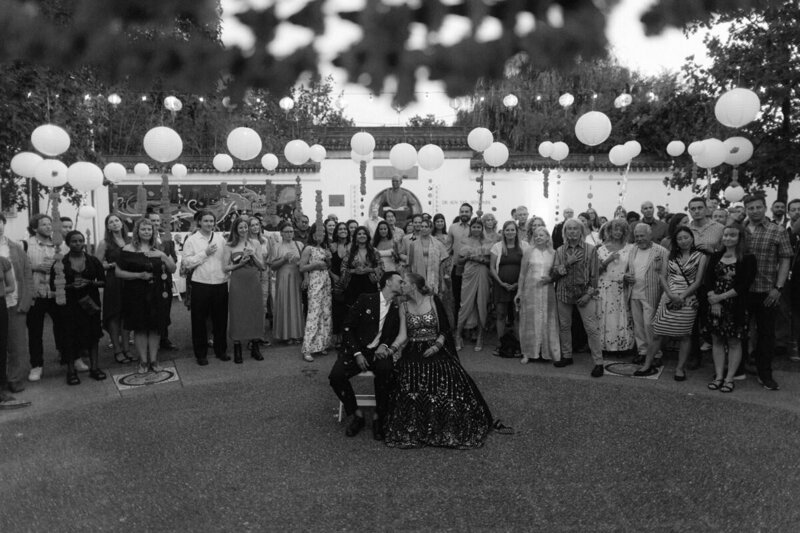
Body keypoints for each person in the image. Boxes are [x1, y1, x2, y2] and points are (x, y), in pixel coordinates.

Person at [384, 272, 497, 449]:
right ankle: (417, 429)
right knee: (410, 381)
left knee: (450, 380)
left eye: (404, 283)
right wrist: (390, 349)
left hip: (436, 347)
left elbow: (444, 329)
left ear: (413, 286)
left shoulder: (432, 301)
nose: (402, 285)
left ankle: (447, 426)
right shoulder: (403, 306)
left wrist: (436, 346)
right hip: (413, 350)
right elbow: (402, 335)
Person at [329, 271, 407, 440]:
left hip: (379, 352)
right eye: (400, 281)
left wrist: (385, 346)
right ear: (388, 283)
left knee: (387, 371)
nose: (403, 284)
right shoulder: (365, 299)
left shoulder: (397, 307)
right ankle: (357, 415)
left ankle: (379, 416)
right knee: (336, 376)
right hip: (357, 349)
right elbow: (347, 327)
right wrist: (357, 353)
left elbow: (394, 333)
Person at [635, 227, 708, 380]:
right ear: (675, 241)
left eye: (686, 237)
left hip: (688, 299)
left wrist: (682, 296)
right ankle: (647, 364)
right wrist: (669, 294)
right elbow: (662, 276)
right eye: (680, 238)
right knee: (657, 333)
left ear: (692, 238)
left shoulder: (700, 256)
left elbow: (699, 281)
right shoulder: (670, 255)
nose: (683, 241)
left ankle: (680, 368)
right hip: (668, 296)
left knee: (685, 335)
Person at [742, 194, 792, 390]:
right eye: (750, 208)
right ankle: (738, 368)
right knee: (739, 333)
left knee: (766, 336)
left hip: (766, 292)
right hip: (742, 292)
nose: (754, 211)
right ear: (746, 209)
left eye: (758, 207)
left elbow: (785, 259)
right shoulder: (740, 230)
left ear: (765, 208)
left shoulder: (777, 231)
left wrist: (778, 288)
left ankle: (765, 374)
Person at [116, 219, 176, 373]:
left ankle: (154, 360)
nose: (147, 232)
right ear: (137, 231)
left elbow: (173, 268)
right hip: (135, 294)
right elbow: (118, 272)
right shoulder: (127, 249)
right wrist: (139, 275)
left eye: (149, 229)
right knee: (140, 328)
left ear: (153, 231)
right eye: (143, 229)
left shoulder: (158, 250)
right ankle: (143, 361)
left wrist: (163, 256)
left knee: (155, 328)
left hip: (156, 293)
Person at [703, 224, 756, 393]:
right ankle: (718, 376)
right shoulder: (716, 255)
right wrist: (714, 300)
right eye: (725, 235)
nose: (728, 238)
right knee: (717, 340)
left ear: (740, 238)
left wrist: (721, 297)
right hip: (715, 306)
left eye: (732, 235)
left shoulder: (748, 258)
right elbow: (708, 279)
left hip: (736, 306)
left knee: (734, 341)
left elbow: (744, 285)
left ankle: (729, 378)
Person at [551, 219, 605, 377]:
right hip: (563, 294)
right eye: (569, 229)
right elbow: (554, 274)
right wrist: (567, 263)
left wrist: (589, 295)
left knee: (591, 328)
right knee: (565, 326)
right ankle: (567, 356)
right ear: (565, 232)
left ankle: (598, 362)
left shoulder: (591, 250)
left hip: (584, 295)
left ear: (581, 231)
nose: (572, 232)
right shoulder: (560, 251)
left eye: (575, 229)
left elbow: (595, 276)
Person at [51, 231, 106, 384]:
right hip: (70, 304)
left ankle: (95, 367)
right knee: (70, 336)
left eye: (80, 240)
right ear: (68, 243)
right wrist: (69, 286)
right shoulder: (60, 262)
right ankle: (71, 371)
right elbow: (53, 285)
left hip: (90, 303)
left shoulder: (93, 261)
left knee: (93, 335)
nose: (78, 243)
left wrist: (90, 283)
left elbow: (103, 281)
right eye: (74, 241)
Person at [182, 210, 229, 365]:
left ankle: (221, 350)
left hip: (220, 283)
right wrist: (205, 253)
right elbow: (187, 263)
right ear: (199, 222)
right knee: (199, 320)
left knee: (220, 319)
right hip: (200, 283)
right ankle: (200, 354)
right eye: (206, 221)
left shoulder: (220, 239)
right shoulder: (192, 240)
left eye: (211, 221)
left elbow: (226, 259)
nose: (209, 224)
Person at [25, 214, 67, 381]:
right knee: (35, 331)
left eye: (50, 224)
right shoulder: (26, 244)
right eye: (44, 224)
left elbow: (68, 263)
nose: (49, 227)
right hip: (37, 293)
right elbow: (20, 267)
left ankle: (68, 356)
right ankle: (36, 365)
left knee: (63, 326)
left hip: (57, 292)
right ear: (35, 228)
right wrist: (36, 267)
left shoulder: (60, 244)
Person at [624, 223, 669, 366]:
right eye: (637, 236)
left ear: (650, 235)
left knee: (650, 325)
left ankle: (656, 353)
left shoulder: (661, 251)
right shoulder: (632, 249)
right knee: (638, 325)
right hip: (634, 292)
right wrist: (626, 276)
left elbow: (665, 273)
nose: (639, 239)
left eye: (642, 235)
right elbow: (627, 269)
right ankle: (642, 352)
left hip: (651, 293)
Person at [223, 216, 266, 364]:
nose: (243, 230)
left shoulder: (255, 243)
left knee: (254, 311)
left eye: (245, 227)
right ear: (235, 229)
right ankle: (237, 348)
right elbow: (225, 267)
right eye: (240, 227)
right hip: (237, 281)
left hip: (253, 281)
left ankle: (255, 347)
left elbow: (262, 266)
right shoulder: (229, 245)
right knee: (237, 312)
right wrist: (239, 263)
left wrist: (253, 254)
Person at [0, 213, 33, 394]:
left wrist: (26, 300)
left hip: (13, 303)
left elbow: (27, 274)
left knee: (17, 345)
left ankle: (14, 379)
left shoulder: (16, 247)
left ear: (4, 224)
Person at [516, 227, 560, 363]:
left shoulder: (554, 253)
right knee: (529, 320)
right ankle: (527, 353)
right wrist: (519, 291)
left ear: (547, 237)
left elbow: (557, 272)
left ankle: (548, 352)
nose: (538, 237)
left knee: (548, 320)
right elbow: (522, 273)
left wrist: (551, 279)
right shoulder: (529, 251)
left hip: (547, 291)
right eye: (536, 235)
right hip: (530, 290)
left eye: (542, 235)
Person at [95, 213, 132, 363]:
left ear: (122, 223)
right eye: (111, 222)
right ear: (108, 227)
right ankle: (117, 349)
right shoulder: (105, 243)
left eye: (117, 220)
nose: (115, 223)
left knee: (127, 315)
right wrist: (111, 265)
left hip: (129, 281)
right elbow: (96, 264)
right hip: (114, 281)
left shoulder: (130, 240)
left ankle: (127, 348)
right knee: (114, 314)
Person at [596, 219, 635, 355]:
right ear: (609, 231)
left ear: (625, 232)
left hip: (621, 287)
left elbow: (632, 268)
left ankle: (622, 347)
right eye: (615, 229)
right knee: (604, 316)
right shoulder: (600, 249)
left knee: (621, 315)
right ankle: (605, 347)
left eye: (620, 229)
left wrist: (627, 276)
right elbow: (596, 271)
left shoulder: (630, 248)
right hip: (604, 287)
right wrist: (609, 259)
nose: (617, 232)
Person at [489, 221, 529, 352]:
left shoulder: (524, 246)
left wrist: (518, 284)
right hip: (501, 286)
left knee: (517, 316)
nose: (510, 232)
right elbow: (492, 268)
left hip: (519, 287)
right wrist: (501, 283)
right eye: (507, 230)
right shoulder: (497, 246)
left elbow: (528, 267)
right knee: (501, 314)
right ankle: (500, 343)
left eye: (512, 230)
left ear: (517, 231)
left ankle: (519, 344)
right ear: (503, 231)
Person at [455, 217, 491, 351]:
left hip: (483, 273)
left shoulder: (488, 242)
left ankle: (481, 336)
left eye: (479, 227)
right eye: (474, 227)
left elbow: (490, 262)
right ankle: (458, 335)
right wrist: (468, 258)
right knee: (465, 304)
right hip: (469, 273)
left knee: (481, 304)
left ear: (482, 229)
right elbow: (459, 261)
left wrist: (479, 259)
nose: (476, 229)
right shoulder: (465, 241)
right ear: (471, 228)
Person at [299, 224, 332, 362]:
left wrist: (329, 258)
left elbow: (328, 266)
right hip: (315, 282)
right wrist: (315, 265)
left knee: (326, 313)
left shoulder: (325, 248)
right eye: (319, 232)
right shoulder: (308, 248)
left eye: (323, 232)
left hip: (326, 282)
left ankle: (322, 344)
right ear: (313, 234)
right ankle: (307, 348)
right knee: (313, 314)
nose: (322, 234)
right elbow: (301, 267)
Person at [147, 211, 179, 351]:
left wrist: (164, 260)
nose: (155, 223)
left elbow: (174, 259)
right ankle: (150, 340)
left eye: (157, 221)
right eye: (152, 221)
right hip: (149, 280)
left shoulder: (168, 240)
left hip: (165, 280)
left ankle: (164, 339)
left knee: (165, 309)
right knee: (150, 311)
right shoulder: (141, 241)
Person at [270, 221, 305, 344]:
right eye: (286, 232)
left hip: (296, 277)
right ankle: (285, 335)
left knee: (296, 304)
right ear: (281, 233)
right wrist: (284, 259)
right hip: (283, 276)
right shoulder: (276, 246)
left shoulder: (299, 245)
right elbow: (273, 266)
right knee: (284, 304)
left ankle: (296, 334)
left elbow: (304, 262)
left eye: (291, 231)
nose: (289, 234)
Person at [341, 226, 383, 307]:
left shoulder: (374, 251)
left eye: (364, 234)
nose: (362, 235)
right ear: (355, 237)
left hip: (370, 284)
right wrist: (354, 271)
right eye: (359, 234)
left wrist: (369, 270)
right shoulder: (350, 252)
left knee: (369, 308)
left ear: (367, 236)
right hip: (353, 284)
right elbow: (343, 268)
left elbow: (381, 267)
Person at [447, 203, 473, 324]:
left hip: (472, 268)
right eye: (462, 211)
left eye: (466, 211)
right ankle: (458, 326)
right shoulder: (452, 227)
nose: (464, 214)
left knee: (470, 298)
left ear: (471, 213)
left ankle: (471, 326)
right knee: (457, 298)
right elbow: (448, 248)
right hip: (457, 268)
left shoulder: (476, 227)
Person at [406, 218, 447, 294]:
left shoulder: (438, 244)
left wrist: (442, 281)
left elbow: (441, 265)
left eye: (426, 227)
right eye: (422, 226)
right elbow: (409, 263)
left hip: (433, 278)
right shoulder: (413, 244)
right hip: (417, 276)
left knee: (432, 299)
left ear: (431, 228)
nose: (423, 229)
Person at [329, 222, 350, 348]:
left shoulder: (352, 246)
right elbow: (327, 264)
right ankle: (337, 338)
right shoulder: (332, 246)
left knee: (348, 309)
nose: (343, 230)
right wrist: (333, 275)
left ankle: (348, 337)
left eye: (344, 229)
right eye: (340, 229)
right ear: (336, 232)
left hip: (349, 281)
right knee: (337, 310)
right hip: (336, 281)